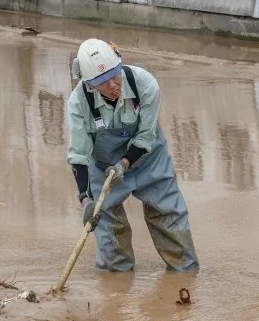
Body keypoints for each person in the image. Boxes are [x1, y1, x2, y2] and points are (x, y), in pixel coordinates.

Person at [67, 39, 199, 273]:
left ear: (120, 65)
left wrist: (124, 164)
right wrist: (86, 200)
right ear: (89, 84)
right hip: (104, 168)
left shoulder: (145, 84)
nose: (112, 85)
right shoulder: (79, 103)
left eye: (114, 76)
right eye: (101, 82)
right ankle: (117, 285)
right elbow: (79, 156)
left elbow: (146, 136)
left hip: (149, 160)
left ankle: (185, 275)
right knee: (108, 233)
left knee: (169, 215)